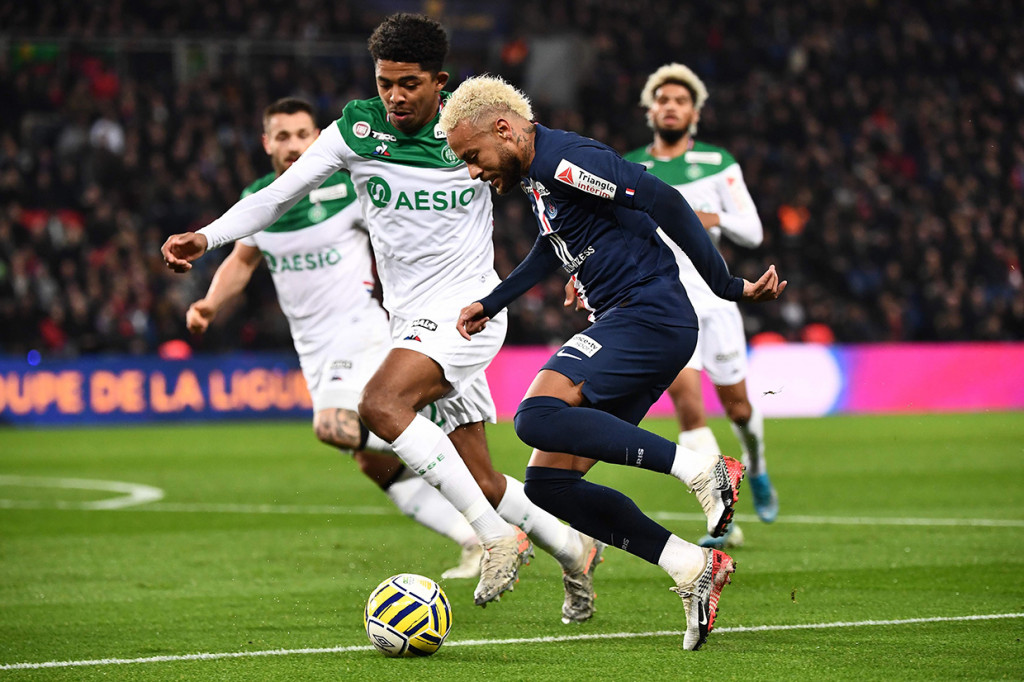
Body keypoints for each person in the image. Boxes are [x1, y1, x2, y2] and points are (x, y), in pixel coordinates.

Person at [161, 13, 603, 622]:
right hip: (409, 322)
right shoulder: (357, 130)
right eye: (384, 82)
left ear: (439, 82)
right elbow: (274, 198)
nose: (394, 95)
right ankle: (576, 550)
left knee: (381, 405)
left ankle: (493, 538)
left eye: (409, 83)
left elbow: (557, 194)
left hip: (470, 312)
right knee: (484, 478)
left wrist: (585, 270)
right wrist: (205, 238)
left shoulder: (471, 132)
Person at [440, 75, 786, 650]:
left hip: (649, 315)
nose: (474, 171)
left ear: (504, 129)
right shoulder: (539, 174)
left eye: (473, 157)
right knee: (549, 483)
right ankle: (689, 567)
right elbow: (556, 246)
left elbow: (664, 200)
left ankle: (704, 471)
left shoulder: (564, 160)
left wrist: (727, 286)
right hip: (633, 321)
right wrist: (492, 301)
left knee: (536, 416)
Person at [184, 96, 483, 579]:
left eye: (303, 134)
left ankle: (459, 465)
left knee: (332, 426)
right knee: (374, 464)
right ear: (266, 143)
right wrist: (209, 305)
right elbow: (242, 261)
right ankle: (474, 536)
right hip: (314, 348)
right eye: (282, 136)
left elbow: (402, 225)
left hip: (362, 330)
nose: (293, 145)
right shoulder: (260, 200)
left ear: (317, 136)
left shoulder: (348, 187)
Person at [622, 63, 779, 549]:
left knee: (740, 409)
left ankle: (758, 468)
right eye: (662, 99)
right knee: (689, 409)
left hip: (717, 299)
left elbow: (752, 231)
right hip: (664, 302)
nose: (670, 106)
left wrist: (709, 216)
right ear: (650, 109)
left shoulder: (717, 162)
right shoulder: (630, 166)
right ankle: (723, 514)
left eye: (680, 100)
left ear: (694, 112)